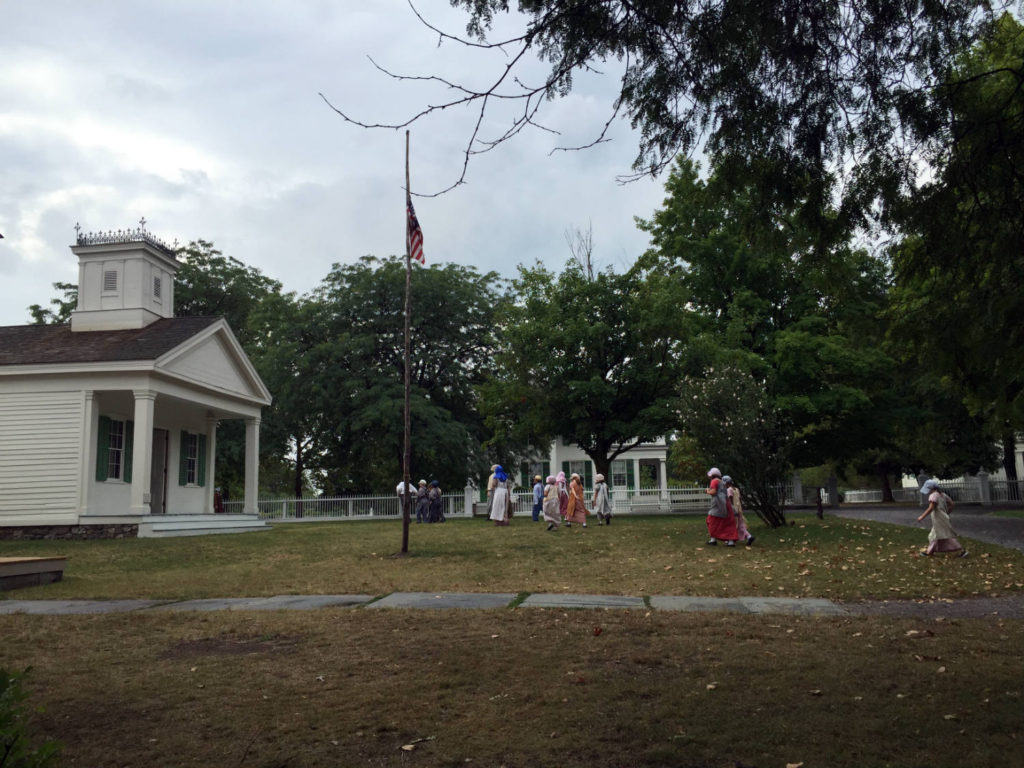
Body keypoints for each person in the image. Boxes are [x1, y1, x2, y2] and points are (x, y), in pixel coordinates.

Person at [917, 478, 967, 557]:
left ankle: (961, 550)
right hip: (943, 517)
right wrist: (947, 513)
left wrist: (922, 517)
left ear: (931, 488)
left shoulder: (933, 495)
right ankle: (930, 551)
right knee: (934, 535)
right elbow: (952, 504)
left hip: (938, 518)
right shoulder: (943, 495)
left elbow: (931, 508)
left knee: (946, 535)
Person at [705, 467, 739, 546]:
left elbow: (713, 492)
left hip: (718, 505)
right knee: (728, 522)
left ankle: (713, 539)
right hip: (726, 504)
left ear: (712, 475)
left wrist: (707, 491)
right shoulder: (722, 482)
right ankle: (730, 541)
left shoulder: (714, 481)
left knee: (711, 521)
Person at [723, 476, 754, 546]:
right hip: (739, 508)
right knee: (740, 525)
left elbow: (730, 499)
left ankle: (730, 539)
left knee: (732, 524)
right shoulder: (736, 489)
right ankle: (749, 536)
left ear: (726, 483)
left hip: (733, 510)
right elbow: (739, 499)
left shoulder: (729, 490)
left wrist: (730, 508)